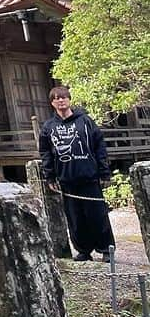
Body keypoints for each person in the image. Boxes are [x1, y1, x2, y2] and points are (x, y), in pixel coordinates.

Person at [38, 85, 115, 261]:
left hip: (89, 176)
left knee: (98, 215)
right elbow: (46, 153)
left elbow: (99, 146)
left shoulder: (85, 121)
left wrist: (104, 172)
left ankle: (106, 249)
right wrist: (49, 176)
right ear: (52, 103)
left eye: (63, 97)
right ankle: (83, 250)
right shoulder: (48, 127)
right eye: (56, 98)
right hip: (66, 179)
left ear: (69, 99)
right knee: (75, 218)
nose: (60, 100)